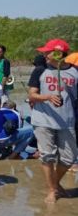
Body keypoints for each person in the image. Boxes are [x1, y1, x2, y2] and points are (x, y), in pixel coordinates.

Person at [27, 38, 78, 203]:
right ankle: (52, 190)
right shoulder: (40, 70)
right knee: (47, 155)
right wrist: (48, 97)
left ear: (59, 54)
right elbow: (32, 94)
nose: (44, 55)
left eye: (47, 52)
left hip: (67, 120)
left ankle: (55, 183)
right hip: (43, 120)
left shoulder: (75, 72)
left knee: (69, 157)